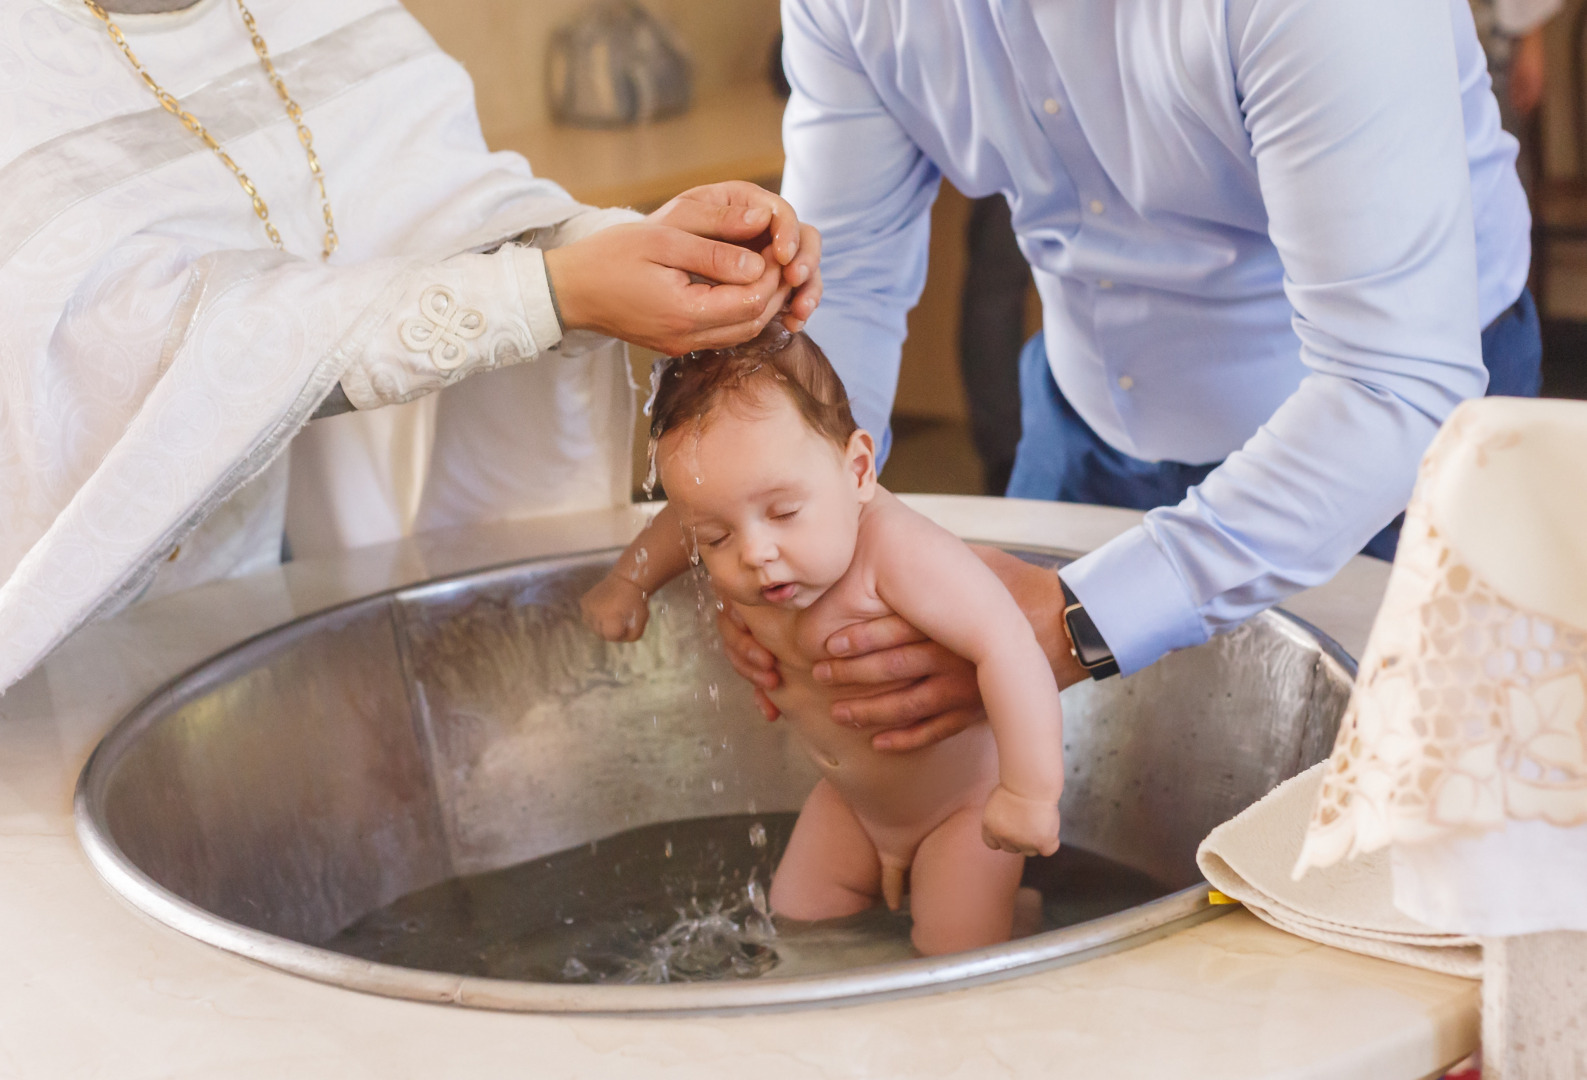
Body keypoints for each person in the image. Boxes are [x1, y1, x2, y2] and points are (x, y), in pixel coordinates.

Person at [718, 0, 1543, 749]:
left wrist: (1082, 619)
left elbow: (1389, 383)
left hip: (1395, 446)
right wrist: (789, 515)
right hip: (1084, 418)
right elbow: (846, 276)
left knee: (1409, 829)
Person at [0, 0, 820, 692]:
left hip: (312, 564)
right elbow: (121, 351)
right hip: (89, 629)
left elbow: (451, 203)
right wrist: (556, 290)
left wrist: (644, 246)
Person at [579, 326, 1063, 955]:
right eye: (718, 537)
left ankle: (1012, 919)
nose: (754, 552)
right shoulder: (737, 524)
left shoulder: (898, 552)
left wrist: (1028, 793)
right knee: (798, 930)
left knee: (956, 953)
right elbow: (677, 522)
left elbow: (1011, 644)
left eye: (782, 513)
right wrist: (628, 582)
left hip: (963, 814)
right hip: (851, 804)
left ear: (858, 470)